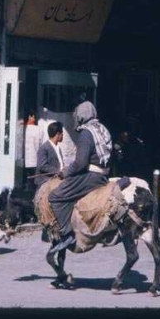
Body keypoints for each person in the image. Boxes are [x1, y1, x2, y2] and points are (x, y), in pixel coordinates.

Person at [48, 101, 112, 253]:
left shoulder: (86, 133)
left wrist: (66, 172)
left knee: (55, 196)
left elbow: (81, 163)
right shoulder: (102, 129)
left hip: (91, 176)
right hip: (103, 174)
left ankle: (66, 234)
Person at [36, 121, 65, 187]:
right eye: (62, 133)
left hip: (57, 181)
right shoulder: (44, 148)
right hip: (46, 183)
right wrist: (58, 171)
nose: (63, 135)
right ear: (58, 134)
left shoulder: (58, 148)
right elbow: (42, 166)